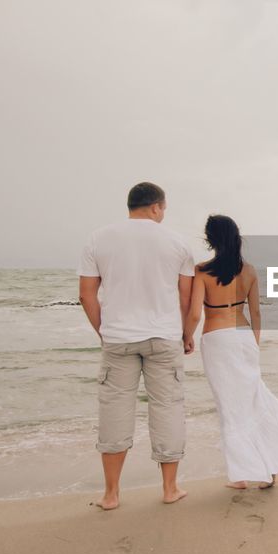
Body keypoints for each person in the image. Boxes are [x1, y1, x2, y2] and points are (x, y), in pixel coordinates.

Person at [78, 182, 195, 510]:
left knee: (114, 410)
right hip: (164, 337)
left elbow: (87, 294)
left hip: (118, 339)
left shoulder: (98, 238)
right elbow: (186, 295)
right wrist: (186, 333)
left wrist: (104, 331)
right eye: (164, 209)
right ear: (156, 207)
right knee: (168, 408)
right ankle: (170, 488)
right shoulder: (176, 242)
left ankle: (111, 494)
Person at [184, 214, 278, 489]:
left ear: (210, 240)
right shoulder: (249, 271)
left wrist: (186, 337)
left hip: (217, 340)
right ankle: (269, 471)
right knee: (254, 401)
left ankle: (241, 477)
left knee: (230, 408)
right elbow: (256, 312)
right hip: (244, 337)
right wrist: (255, 343)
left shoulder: (201, 271)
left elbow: (194, 313)